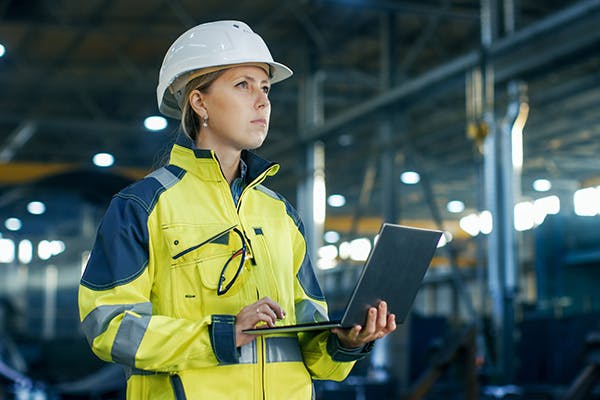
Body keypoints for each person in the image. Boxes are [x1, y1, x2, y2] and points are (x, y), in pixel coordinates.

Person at [78, 20, 396, 399]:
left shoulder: (280, 215)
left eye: (264, 88)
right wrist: (221, 335)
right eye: (243, 85)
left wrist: (346, 341)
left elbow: (310, 343)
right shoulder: (141, 207)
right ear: (199, 102)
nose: (262, 100)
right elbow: (108, 327)